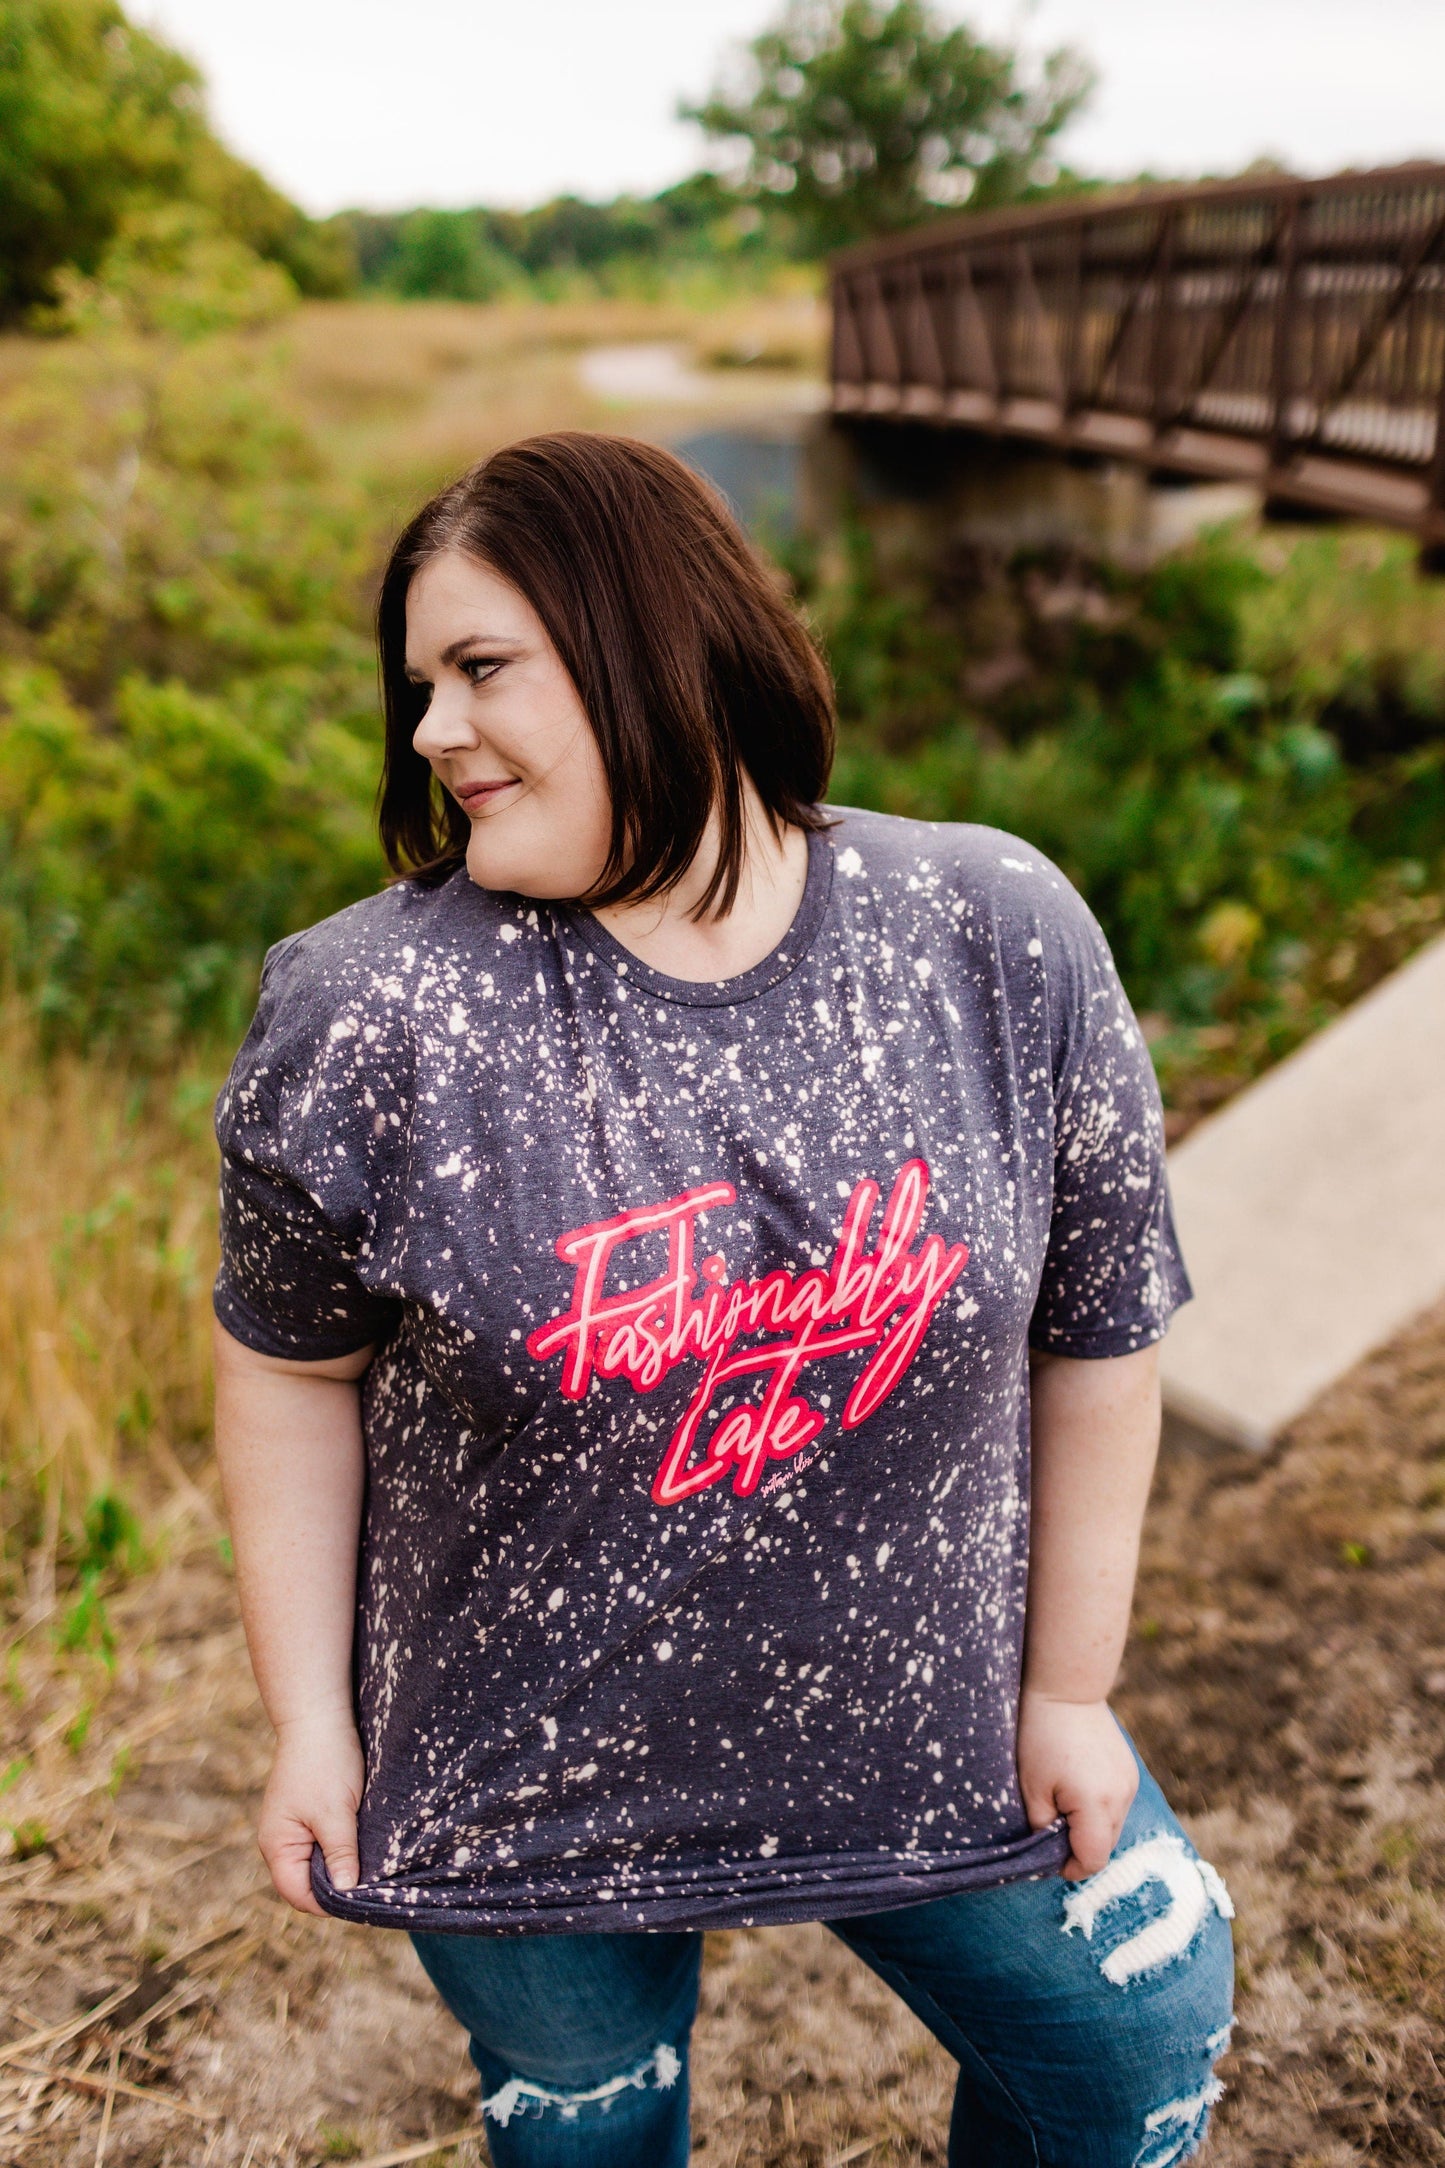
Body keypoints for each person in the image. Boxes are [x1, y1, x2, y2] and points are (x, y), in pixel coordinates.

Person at [212, 432, 1234, 2168]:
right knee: (591, 2132)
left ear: (653, 639)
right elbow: (288, 1373)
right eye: (416, 689)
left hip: (933, 1713)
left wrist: (1066, 1691)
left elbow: (1098, 1332)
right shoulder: (367, 1012)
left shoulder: (989, 930)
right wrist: (312, 1720)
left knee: (1137, 2048)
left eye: (480, 671)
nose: (431, 734)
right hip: (522, 1763)